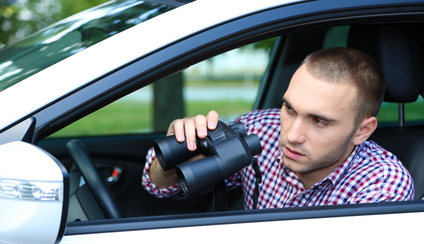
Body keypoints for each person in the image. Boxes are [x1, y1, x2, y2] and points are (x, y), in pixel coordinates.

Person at [142, 47, 414, 209]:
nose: (291, 136)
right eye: (290, 109)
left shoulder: (381, 185)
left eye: (319, 121)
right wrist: (181, 149)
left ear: (362, 131)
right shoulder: (261, 127)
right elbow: (158, 188)